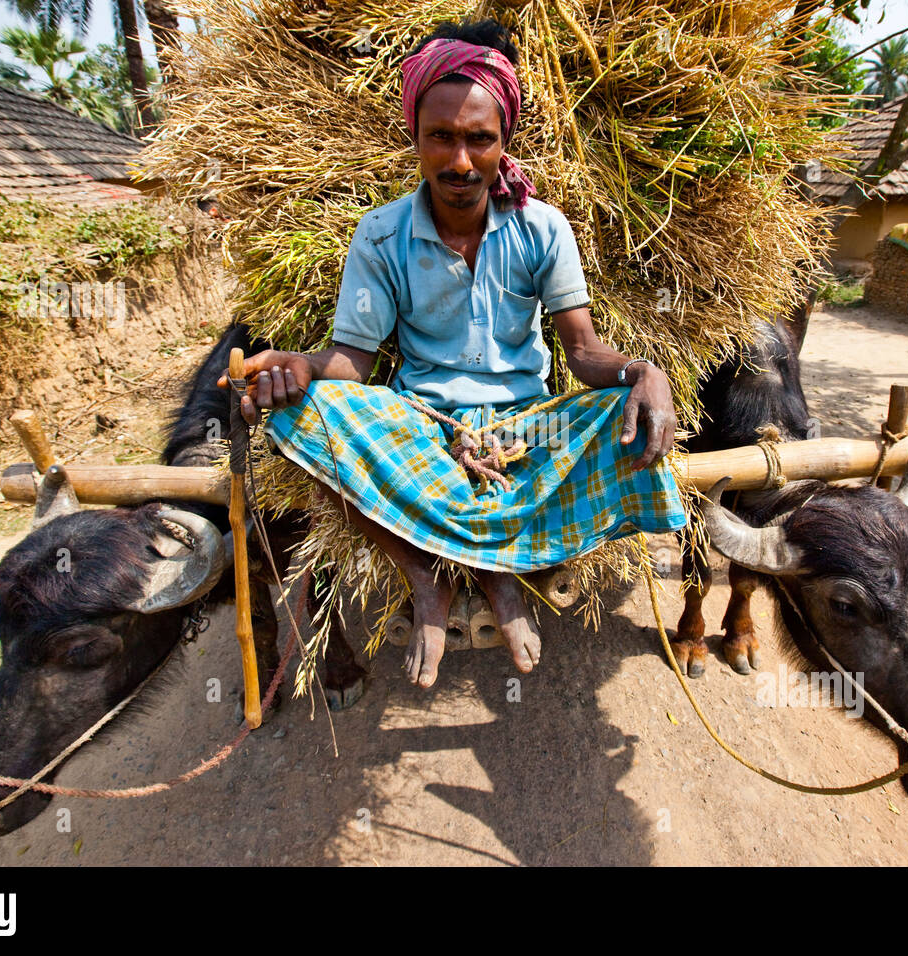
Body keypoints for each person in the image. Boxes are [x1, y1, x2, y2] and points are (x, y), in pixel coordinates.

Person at [222, 18, 686, 689]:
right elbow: (352, 361)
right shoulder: (380, 235)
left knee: (621, 410)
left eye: (479, 139)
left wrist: (644, 372)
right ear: (416, 136)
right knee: (305, 414)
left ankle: (502, 574)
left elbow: (582, 352)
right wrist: (301, 365)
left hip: (531, 427)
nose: (460, 160)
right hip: (422, 429)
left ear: (506, 143)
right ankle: (424, 574)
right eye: (441, 137)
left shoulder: (541, 228)